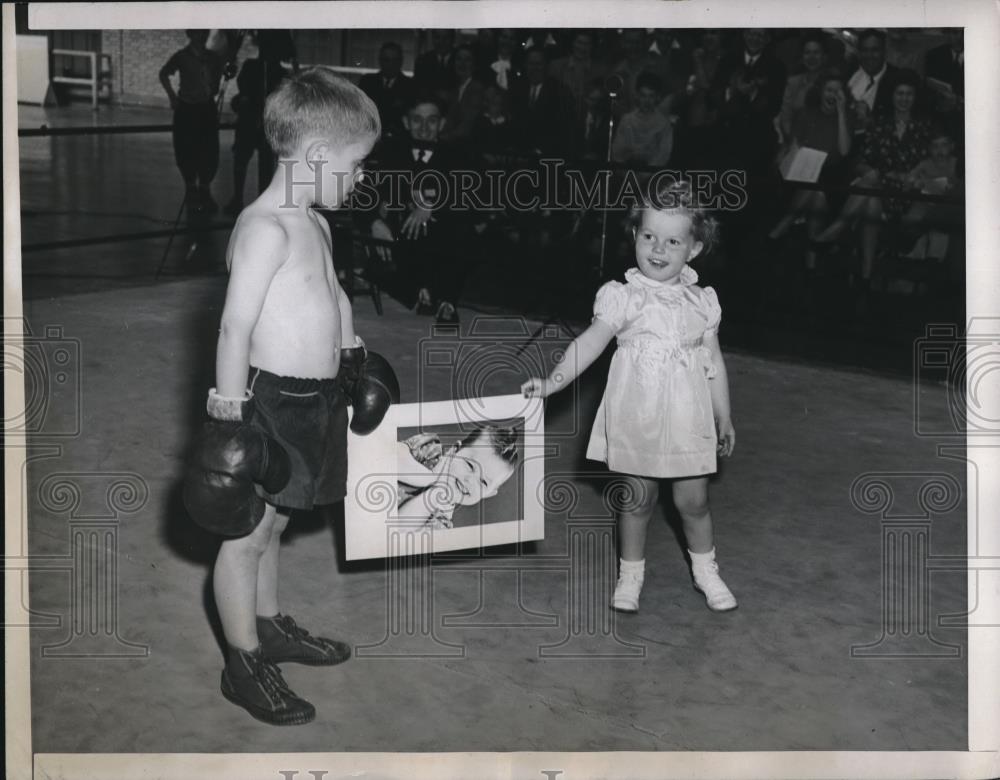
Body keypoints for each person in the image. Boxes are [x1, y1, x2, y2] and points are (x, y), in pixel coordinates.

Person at [182, 68, 398, 726]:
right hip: (267, 401)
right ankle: (243, 661)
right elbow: (234, 325)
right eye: (356, 164)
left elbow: (333, 295)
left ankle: (269, 624)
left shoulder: (314, 221)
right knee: (245, 533)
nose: (361, 178)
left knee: (278, 522)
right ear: (315, 156)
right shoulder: (265, 228)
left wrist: (355, 356)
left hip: (317, 398)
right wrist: (228, 411)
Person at [521, 179, 737, 614]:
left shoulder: (703, 303)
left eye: (673, 241)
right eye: (649, 236)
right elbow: (589, 343)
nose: (658, 249)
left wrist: (724, 416)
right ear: (635, 236)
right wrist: (553, 381)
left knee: (693, 502)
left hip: (687, 420)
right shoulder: (623, 297)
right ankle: (631, 573)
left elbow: (714, 365)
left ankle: (706, 570)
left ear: (694, 249)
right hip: (640, 417)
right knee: (638, 499)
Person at [815, 69, 932, 283]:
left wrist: (889, 175)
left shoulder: (924, 128)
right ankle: (866, 277)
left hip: (907, 195)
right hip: (878, 191)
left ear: (915, 98)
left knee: (871, 187)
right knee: (871, 197)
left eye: (909, 94)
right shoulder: (879, 124)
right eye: (899, 94)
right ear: (892, 96)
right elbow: (859, 162)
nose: (904, 99)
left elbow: (928, 168)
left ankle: (836, 229)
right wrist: (869, 172)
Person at [368, 93, 476, 323]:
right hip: (400, 239)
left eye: (432, 120)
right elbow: (364, 196)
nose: (425, 128)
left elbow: (469, 195)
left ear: (443, 124)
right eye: (417, 120)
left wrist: (432, 206)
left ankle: (443, 299)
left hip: (442, 240)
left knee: (461, 226)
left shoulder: (457, 155)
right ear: (406, 122)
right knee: (378, 264)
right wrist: (374, 223)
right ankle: (421, 291)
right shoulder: (390, 153)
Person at [769, 70, 853, 269]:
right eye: (829, 90)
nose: (832, 95)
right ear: (821, 92)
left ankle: (782, 227)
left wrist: (841, 112)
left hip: (830, 177)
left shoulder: (846, 117)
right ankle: (811, 268)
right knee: (815, 193)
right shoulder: (806, 113)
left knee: (819, 193)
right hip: (801, 175)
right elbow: (794, 146)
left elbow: (844, 150)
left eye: (838, 92)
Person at [396, 426, 520, 528]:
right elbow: (389, 456)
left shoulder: (440, 523)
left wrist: (434, 494)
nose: (470, 480)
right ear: (454, 451)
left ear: (488, 493)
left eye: (483, 482)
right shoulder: (431, 449)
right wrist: (430, 478)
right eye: (470, 465)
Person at [159, 29, 226, 213]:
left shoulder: (213, 57)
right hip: (187, 109)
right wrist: (172, 97)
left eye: (204, 33)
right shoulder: (181, 57)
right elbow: (163, 74)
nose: (201, 36)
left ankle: (205, 191)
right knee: (186, 150)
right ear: (190, 34)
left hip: (206, 109)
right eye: (197, 33)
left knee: (209, 150)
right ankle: (190, 191)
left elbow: (219, 77)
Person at [610, 71, 674, 168]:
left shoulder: (664, 124)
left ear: (657, 97)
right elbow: (617, 152)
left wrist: (644, 175)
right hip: (626, 172)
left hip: (652, 175)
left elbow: (663, 155)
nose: (647, 101)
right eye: (643, 96)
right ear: (637, 96)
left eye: (651, 96)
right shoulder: (627, 120)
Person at [358, 41, 414, 145]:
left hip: (398, 141)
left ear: (401, 61)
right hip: (370, 137)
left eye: (395, 60)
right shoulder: (367, 82)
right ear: (380, 61)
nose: (391, 64)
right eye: (386, 60)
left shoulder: (410, 86)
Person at [777, 32, 829, 141]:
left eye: (816, 52)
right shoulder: (792, 82)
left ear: (824, 56)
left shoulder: (831, 83)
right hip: (793, 141)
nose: (811, 57)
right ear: (802, 56)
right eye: (807, 52)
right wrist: (793, 141)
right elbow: (786, 117)